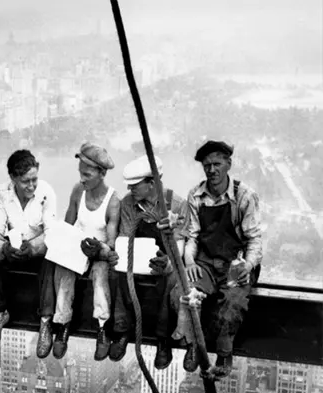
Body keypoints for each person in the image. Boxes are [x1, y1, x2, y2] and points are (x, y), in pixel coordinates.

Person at [180, 140, 262, 376]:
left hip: (236, 262)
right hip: (206, 261)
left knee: (232, 303)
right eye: (207, 166)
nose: (212, 170)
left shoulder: (244, 196)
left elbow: (255, 239)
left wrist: (248, 264)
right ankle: (194, 346)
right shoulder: (195, 195)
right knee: (190, 295)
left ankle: (224, 354)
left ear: (228, 164)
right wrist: (190, 262)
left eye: (217, 164)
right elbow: (192, 236)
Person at [37, 143, 119, 360]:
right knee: (64, 271)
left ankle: (102, 327)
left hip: (98, 252)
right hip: (77, 247)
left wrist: (100, 249)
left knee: (101, 275)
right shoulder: (77, 191)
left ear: (101, 174)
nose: (82, 179)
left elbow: (111, 241)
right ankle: (62, 324)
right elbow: (69, 224)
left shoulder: (112, 201)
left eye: (87, 174)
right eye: (80, 173)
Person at [107, 155, 188, 370]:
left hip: (164, 260)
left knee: (170, 280)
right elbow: (125, 237)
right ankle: (122, 330)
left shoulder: (177, 204)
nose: (131, 190)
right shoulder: (128, 204)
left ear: (153, 183)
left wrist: (168, 262)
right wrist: (122, 256)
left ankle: (163, 341)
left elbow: (179, 243)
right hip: (137, 257)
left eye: (136, 186)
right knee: (119, 273)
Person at [0, 149, 56, 348]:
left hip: (38, 246)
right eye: (25, 181)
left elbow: (51, 231)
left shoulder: (46, 192)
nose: (31, 186)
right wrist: (4, 247)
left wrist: (33, 246)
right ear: (13, 178)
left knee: (51, 259)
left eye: (34, 180)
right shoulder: (2, 192)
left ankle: (45, 321)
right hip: (14, 244)